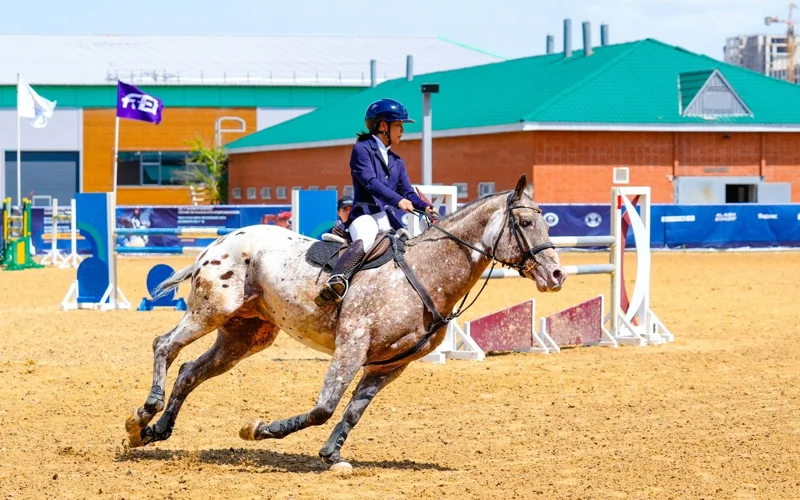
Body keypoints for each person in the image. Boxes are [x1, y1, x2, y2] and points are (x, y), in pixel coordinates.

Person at [315, 98, 435, 307]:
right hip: (365, 215)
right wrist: (399, 201)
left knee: (408, 246)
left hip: (387, 219)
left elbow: (407, 191)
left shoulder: (397, 161)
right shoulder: (362, 150)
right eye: (398, 125)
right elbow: (370, 183)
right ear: (382, 126)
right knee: (367, 238)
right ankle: (337, 280)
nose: (402, 131)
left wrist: (424, 206)